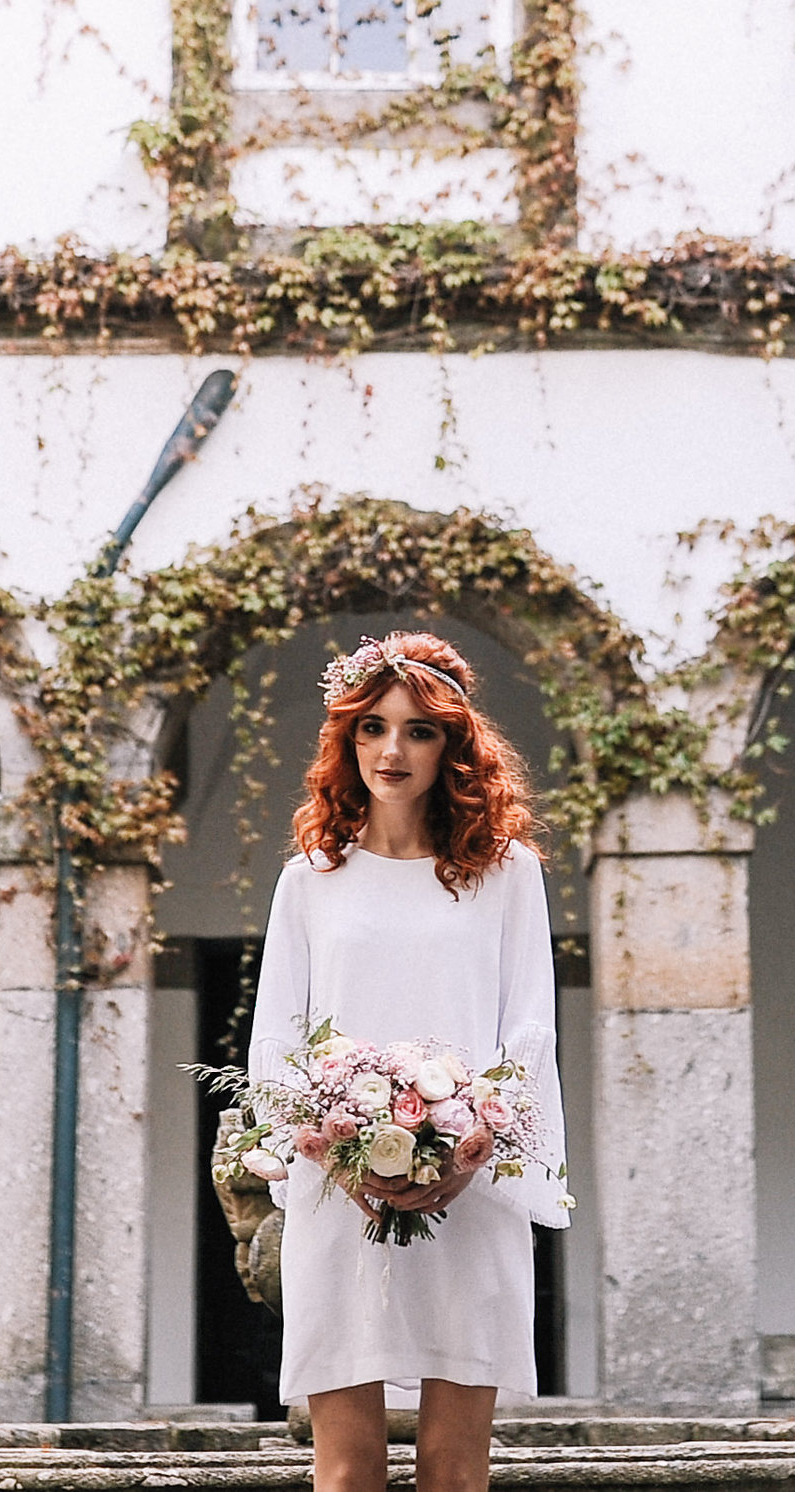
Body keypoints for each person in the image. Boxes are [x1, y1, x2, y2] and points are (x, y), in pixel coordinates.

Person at [248, 631, 568, 1492]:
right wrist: (336, 1153)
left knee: (454, 1466)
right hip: (339, 1190)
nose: (394, 750)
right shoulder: (310, 881)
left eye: (419, 730)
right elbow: (277, 1039)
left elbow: (528, 1031)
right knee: (346, 1468)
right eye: (373, 728)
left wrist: (468, 1156)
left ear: (453, 745)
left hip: (473, 1189)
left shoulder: (508, 874)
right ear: (347, 742)